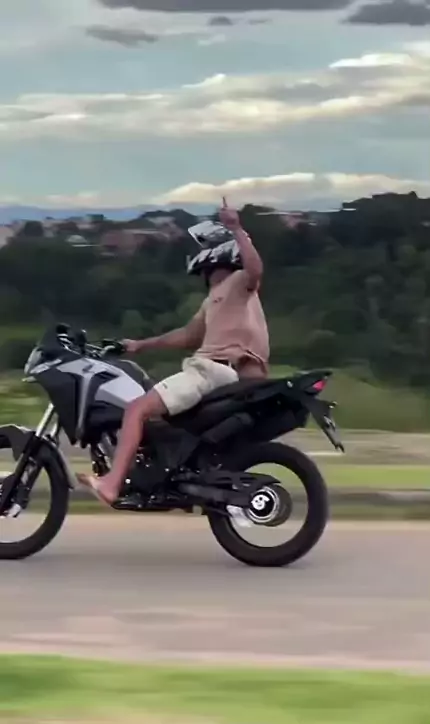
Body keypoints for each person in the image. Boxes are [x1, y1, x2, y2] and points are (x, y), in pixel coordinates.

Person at [78, 198, 269, 506]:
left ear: (212, 254)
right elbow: (187, 335)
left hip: (212, 371)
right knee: (162, 421)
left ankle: (111, 484)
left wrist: (236, 229)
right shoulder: (216, 300)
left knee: (136, 410)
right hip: (221, 373)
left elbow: (255, 269)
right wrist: (140, 345)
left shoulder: (237, 283)